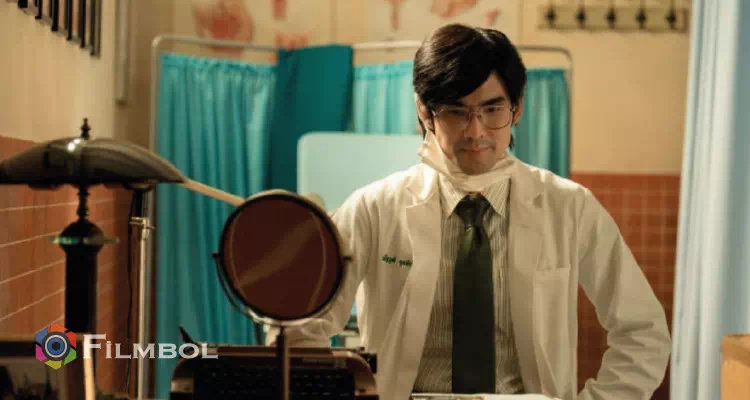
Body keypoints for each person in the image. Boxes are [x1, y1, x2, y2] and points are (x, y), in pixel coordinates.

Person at [267, 23, 671, 400]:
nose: (476, 132)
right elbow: (296, 327)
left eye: (492, 110)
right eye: (456, 112)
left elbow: (643, 332)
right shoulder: (374, 208)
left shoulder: (569, 207)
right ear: (424, 111)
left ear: (517, 108)